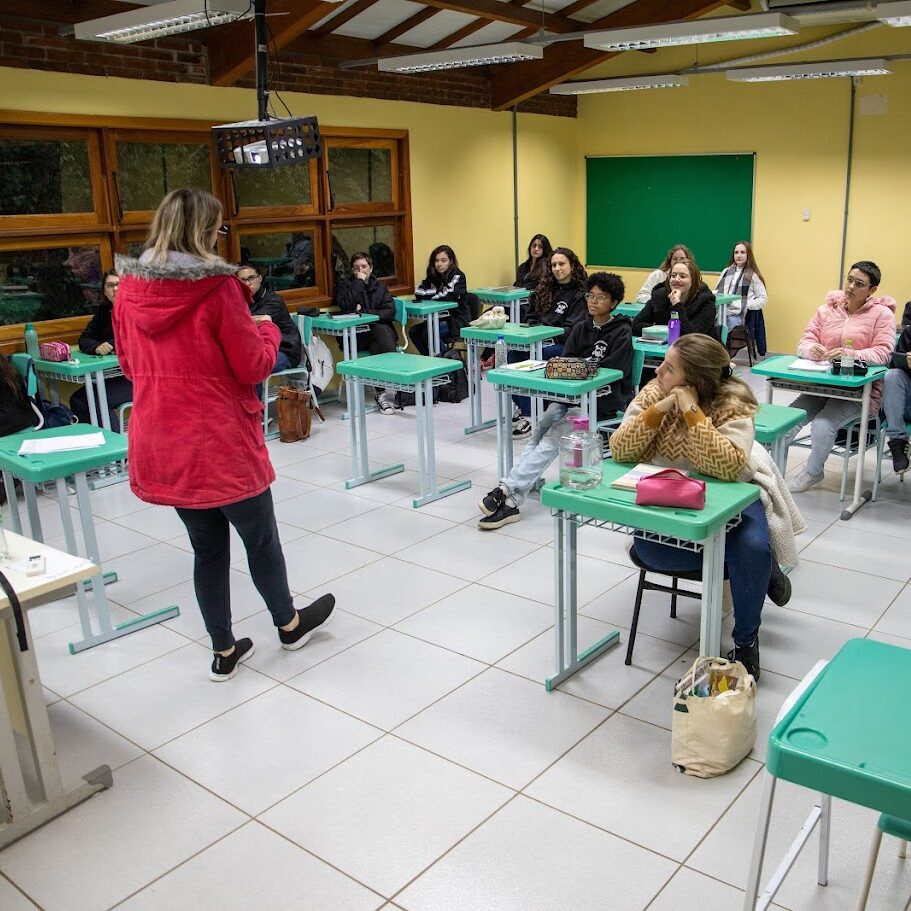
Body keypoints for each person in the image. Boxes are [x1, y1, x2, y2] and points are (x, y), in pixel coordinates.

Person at [114, 188, 334, 682]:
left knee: (207, 550)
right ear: (205, 232)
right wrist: (268, 331)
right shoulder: (218, 288)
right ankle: (289, 624)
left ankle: (223, 650)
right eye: (217, 230)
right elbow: (252, 365)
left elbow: (129, 364)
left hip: (163, 438)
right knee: (261, 540)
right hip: (218, 438)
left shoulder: (128, 290)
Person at [609, 334, 800, 681]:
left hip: (732, 499)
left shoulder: (734, 402)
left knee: (752, 549)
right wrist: (661, 409)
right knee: (654, 553)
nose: (658, 372)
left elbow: (729, 468)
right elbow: (621, 450)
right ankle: (760, 570)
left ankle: (745, 640)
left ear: (693, 381)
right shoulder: (654, 393)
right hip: (673, 498)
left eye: (669, 369)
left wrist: (693, 413)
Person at [478, 272, 633, 530]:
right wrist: (579, 370)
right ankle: (513, 495)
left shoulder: (622, 332)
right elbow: (566, 360)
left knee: (553, 439)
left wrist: (581, 369)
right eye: (590, 296)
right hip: (568, 398)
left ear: (614, 302)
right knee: (538, 430)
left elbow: (614, 370)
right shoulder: (582, 327)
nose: (593, 302)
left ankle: (508, 491)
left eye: (601, 297)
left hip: (599, 401)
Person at [786, 261, 896, 493]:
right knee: (789, 419)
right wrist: (811, 349)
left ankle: (813, 473)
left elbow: (884, 352)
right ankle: (770, 472)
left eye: (859, 284)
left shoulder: (882, 315)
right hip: (821, 385)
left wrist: (850, 354)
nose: (851, 287)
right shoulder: (827, 309)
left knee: (822, 425)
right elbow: (804, 341)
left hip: (859, 392)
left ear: (872, 290)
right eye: (849, 280)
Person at [511, 246, 588, 437]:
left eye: (562, 264)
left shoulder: (580, 294)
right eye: (553, 264)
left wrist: (544, 334)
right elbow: (530, 319)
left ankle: (531, 415)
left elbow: (572, 331)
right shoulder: (543, 290)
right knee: (511, 356)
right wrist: (536, 332)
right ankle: (526, 408)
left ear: (572, 266)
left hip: (564, 346)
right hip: (538, 341)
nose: (557, 268)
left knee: (537, 356)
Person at [70, 270, 135, 432]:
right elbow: (85, 338)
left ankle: (119, 452)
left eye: (120, 285)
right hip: (113, 375)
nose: (115, 289)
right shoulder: (104, 311)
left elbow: (136, 341)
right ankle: (99, 446)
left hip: (137, 378)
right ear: (104, 291)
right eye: (110, 285)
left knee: (97, 401)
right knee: (78, 400)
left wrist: (111, 344)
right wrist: (96, 347)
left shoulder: (137, 310)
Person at [334, 250, 397, 415]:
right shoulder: (345, 285)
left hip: (377, 337)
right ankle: (397, 375)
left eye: (363, 267)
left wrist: (366, 311)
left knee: (377, 344)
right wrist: (358, 283)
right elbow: (346, 306)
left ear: (371, 268)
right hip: (355, 336)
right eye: (356, 268)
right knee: (380, 329)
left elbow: (390, 312)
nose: (360, 271)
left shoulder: (380, 287)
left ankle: (381, 394)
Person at [235, 263, 302, 376]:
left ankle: (255, 395)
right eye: (243, 280)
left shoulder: (272, 301)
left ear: (260, 278)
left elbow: (249, 324)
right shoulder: (241, 300)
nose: (248, 283)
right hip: (257, 351)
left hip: (284, 350)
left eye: (251, 278)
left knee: (255, 366)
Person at [631, 259, 717, 339]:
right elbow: (636, 325)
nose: (676, 279)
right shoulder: (660, 296)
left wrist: (677, 305)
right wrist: (662, 331)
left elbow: (691, 337)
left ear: (693, 281)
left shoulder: (706, 303)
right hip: (664, 349)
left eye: (683, 276)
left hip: (701, 352)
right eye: (673, 275)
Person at [408, 245, 470, 356]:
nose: (439, 264)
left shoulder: (458, 276)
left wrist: (433, 292)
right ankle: (432, 360)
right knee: (414, 332)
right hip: (436, 320)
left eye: (443, 260)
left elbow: (448, 295)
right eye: (436, 260)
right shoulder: (433, 276)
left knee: (429, 333)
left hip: (456, 320)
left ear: (450, 261)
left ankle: (446, 363)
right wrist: (438, 291)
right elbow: (418, 292)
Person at [715, 241, 768, 330]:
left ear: (748, 255)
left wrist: (744, 305)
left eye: (742, 252)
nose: (739, 255)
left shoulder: (753, 275)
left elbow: (763, 299)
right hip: (722, 312)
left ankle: (721, 343)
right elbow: (717, 292)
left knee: (727, 324)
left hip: (738, 315)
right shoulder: (726, 271)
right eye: (736, 252)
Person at [883, 319, 911, 474]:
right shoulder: (909, 332)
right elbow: (896, 363)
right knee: (893, 376)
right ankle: (897, 443)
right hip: (907, 402)